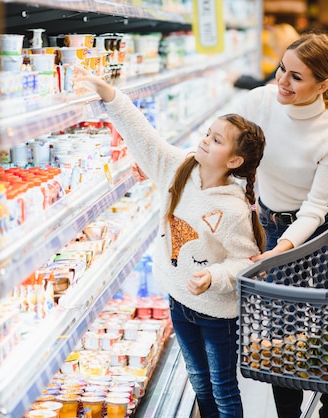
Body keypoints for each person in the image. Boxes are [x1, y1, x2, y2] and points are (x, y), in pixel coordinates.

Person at [73, 65, 267, 418]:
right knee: (199, 382)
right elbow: (144, 136)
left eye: (217, 140)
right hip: (178, 301)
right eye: (209, 133)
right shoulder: (181, 168)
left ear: (235, 161)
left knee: (223, 388)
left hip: (217, 314)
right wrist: (108, 93)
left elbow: (247, 262)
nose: (206, 140)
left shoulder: (234, 209)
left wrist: (214, 277)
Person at [232, 31, 328, 418]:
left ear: (324, 85)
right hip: (271, 219)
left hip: (323, 230)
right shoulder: (259, 102)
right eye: (282, 68)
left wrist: (281, 249)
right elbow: (229, 156)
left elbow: (315, 209)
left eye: (296, 77)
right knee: (284, 330)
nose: (282, 81)